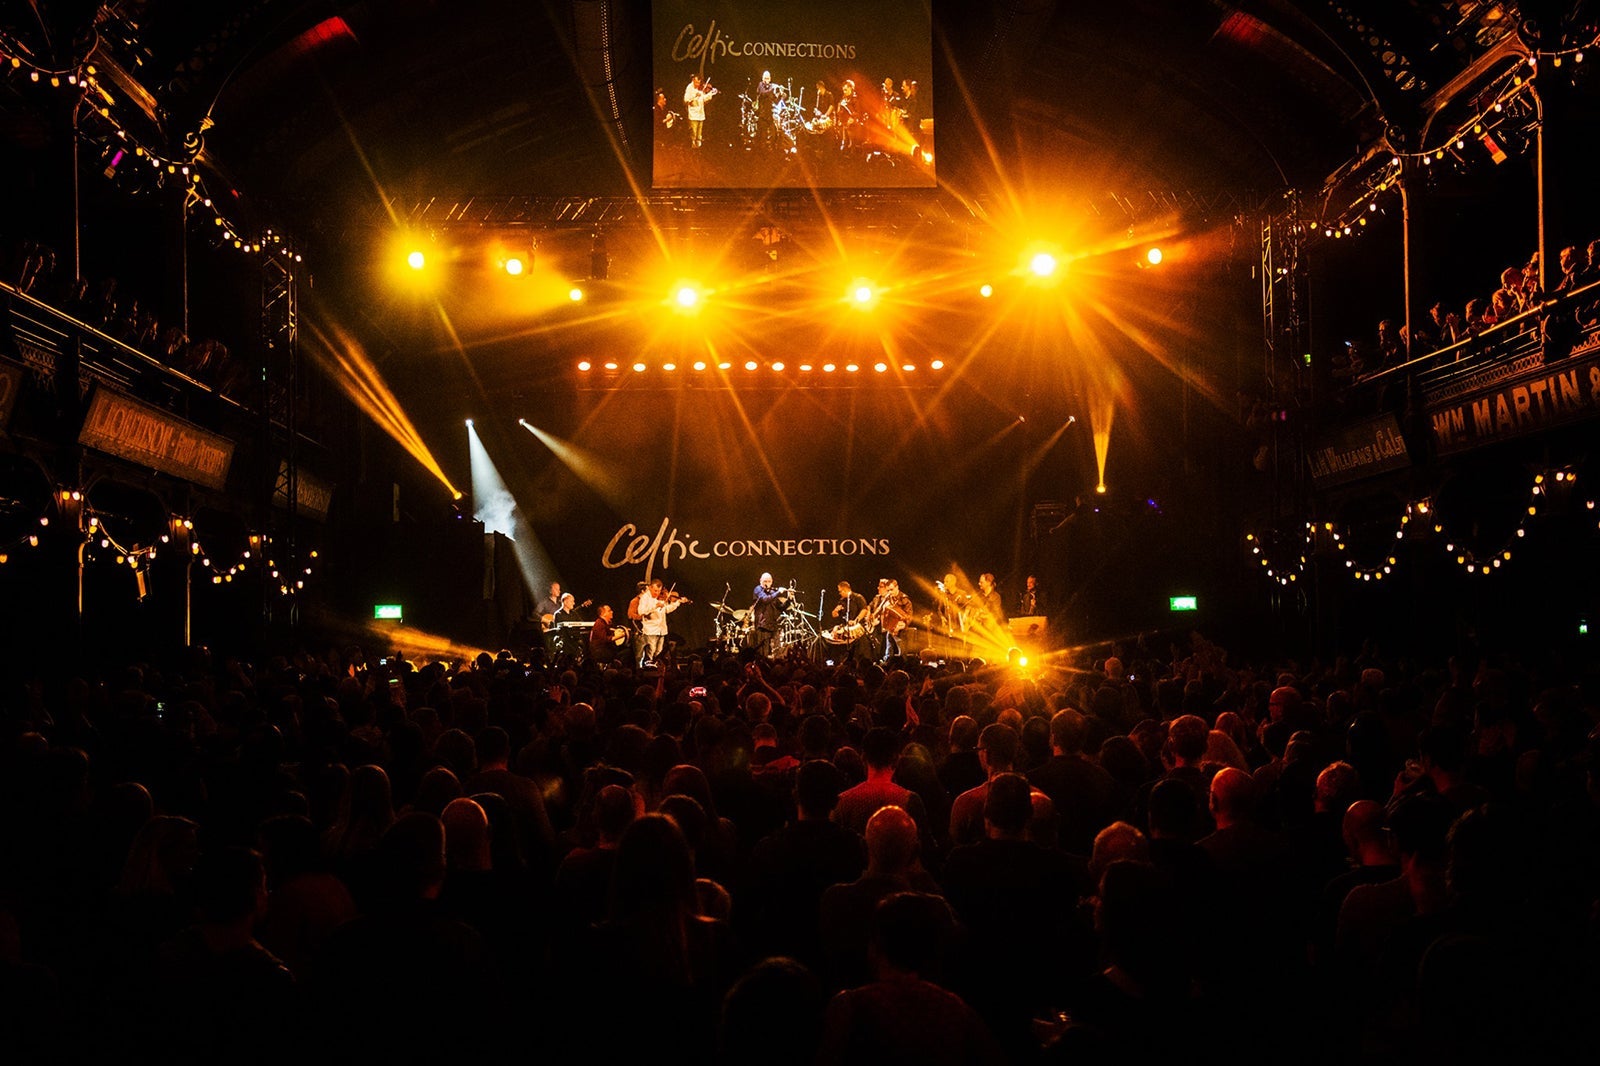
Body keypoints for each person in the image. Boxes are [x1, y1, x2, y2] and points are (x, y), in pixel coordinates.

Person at [636, 578, 684, 665]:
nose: (657, 593)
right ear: (650, 587)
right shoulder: (645, 598)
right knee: (651, 652)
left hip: (661, 630)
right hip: (651, 630)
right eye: (655, 591)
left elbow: (666, 610)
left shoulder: (657, 599)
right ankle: (648, 667)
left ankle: (654, 665)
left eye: (659, 591)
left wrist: (677, 603)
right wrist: (655, 606)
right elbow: (641, 611)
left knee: (658, 652)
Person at [751, 573, 788, 657]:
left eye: (769, 581)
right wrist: (778, 592)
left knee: (777, 652)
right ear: (760, 581)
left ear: (772, 582)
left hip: (773, 625)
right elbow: (765, 599)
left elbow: (781, 608)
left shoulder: (772, 592)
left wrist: (789, 599)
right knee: (763, 653)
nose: (767, 583)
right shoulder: (758, 589)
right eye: (765, 581)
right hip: (762, 626)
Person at [684, 73, 716, 149]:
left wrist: (711, 94)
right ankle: (692, 148)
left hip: (700, 114)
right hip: (693, 115)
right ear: (693, 80)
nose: (698, 84)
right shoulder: (689, 88)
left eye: (699, 83)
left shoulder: (699, 89)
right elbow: (686, 99)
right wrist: (695, 95)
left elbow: (703, 99)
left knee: (699, 135)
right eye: (696, 82)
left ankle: (699, 148)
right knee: (693, 134)